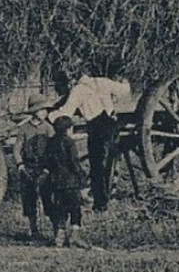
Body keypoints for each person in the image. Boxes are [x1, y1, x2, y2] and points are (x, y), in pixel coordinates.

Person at [50, 73, 134, 213]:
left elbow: (67, 112)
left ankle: (101, 204)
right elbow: (125, 90)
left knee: (97, 167)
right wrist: (124, 83)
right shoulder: (102, 81)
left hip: (97, 128)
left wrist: (50, 116)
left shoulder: (78, 90)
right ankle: (107, 195)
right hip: (112, 124)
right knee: (109, 162)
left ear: (72, 80)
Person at [43, 115, 86, 247]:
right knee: (75, 209)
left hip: (56, 181)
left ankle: (59, 238)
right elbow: (74, 162)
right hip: (70, 181)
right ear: (67, 129)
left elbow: (46, 161)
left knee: (60, 209)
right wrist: (81, 176)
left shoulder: (50, 142)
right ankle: (75, 236)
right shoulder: (69, 142)